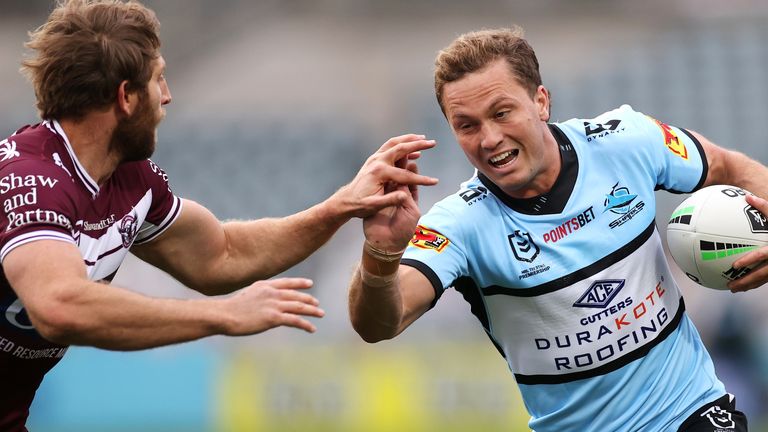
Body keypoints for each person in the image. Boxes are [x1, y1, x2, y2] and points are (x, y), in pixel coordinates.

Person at [0, 0, 438, 430]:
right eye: (159, 79)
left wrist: (339, 206)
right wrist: (221, 316)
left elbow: (220, 255)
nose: (167, 96)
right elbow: (57, 305)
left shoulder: (130, 179)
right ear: (126, 97)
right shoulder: (30, 179)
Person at [348, 26, 768, 431]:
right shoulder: (459, 224)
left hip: (689, 412)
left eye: (501, 112)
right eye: (467, 125)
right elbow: (380, 324)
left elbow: (729, 166)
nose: (489, 138)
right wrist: (381, 253)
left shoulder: (627, 141)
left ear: (541, 102)